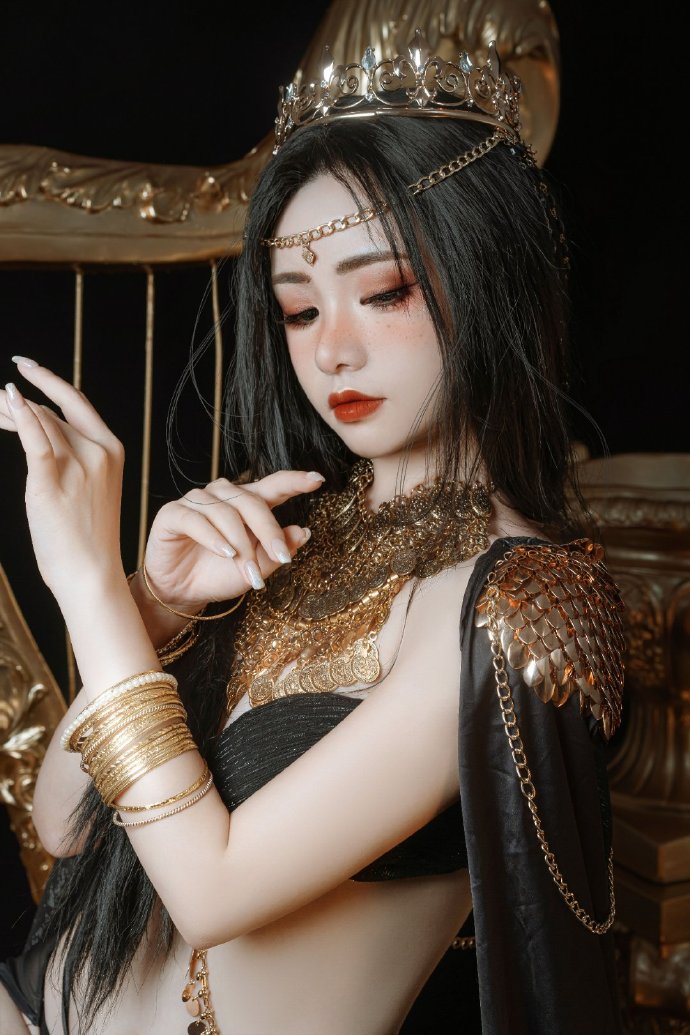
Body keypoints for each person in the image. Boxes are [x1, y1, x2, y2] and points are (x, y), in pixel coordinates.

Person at [0, 33, 625, 1035]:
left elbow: (212, 890)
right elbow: (63, 821)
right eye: (298, 310)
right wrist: (152, 608)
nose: (331, 349)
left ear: (489, 278)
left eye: (384, 293)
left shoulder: (516, 604)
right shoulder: (290, 532)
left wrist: (88, 587)